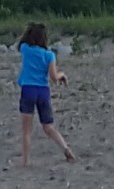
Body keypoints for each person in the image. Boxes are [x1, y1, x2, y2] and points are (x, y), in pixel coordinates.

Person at [16, 22, 73, 166]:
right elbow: (53, 77)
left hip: (28, 89)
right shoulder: (49, 55)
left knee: (26, 131)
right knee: (48, 127)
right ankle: (65, 148)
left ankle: (26, 161)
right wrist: (62, 75)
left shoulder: (25, 49)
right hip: (43, 91)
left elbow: (20, 43)